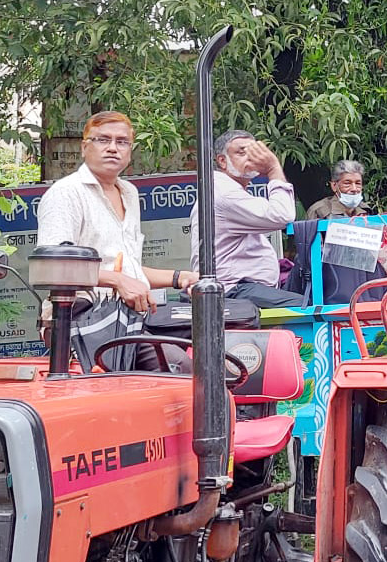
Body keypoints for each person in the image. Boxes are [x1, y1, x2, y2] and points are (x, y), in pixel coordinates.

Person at [37, 111, 197, 371]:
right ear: (84, 147)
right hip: (81, 322)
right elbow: (54, 265)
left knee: (208, 348)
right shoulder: (66, 193)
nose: (113, 148)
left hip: (127, 320)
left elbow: (127, 269)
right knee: (178, 367)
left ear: (130, 150)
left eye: (121, 142)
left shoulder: (129, 193)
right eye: (103, 140)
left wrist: (180, 277)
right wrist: (118, 281)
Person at [190, 130, 305, 308]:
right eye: (241, 152)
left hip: (250, 287)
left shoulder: (230, 190)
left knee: (310, 266)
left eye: (253, 152)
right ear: (222, 161)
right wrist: (273, 168)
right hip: (233, 290)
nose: (249, 158)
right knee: (307, 307)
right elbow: (282, 215)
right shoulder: (224, 192)